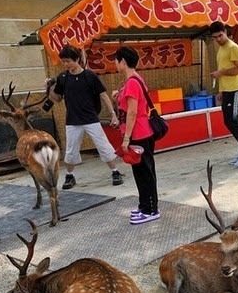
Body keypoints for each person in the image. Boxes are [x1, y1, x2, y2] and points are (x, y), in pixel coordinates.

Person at [45, 45, 123, 189]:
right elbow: (57, 98)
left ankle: (115, 172)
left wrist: (113, 115)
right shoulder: (62, 77)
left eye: (68, 61)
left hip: (91, 118)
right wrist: (49, 88)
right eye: (64, 61)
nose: (66, 64)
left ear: (77, 59)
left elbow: (104, 96)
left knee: (103, 145)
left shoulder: (90, 76)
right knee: (71, 150)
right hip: (72, 121)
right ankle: (70, 176)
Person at [114, 46, 160, 224]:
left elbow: (132, 112)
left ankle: (151, 209)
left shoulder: (132, 82)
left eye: (117, 61)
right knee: (139, 171)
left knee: (145, 172)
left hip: (139, 133)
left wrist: (126, 138)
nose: (116, 64)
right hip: (137, 132)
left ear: (123, 62)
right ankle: (144, 205)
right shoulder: (133, 80)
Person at [208, 22, 238, 167]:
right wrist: (221, 91)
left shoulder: (233, 47)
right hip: (227, 90)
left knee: (231, 120)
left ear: (225, 32)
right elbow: (224, 69)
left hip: (235, 89)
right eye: (215, 37)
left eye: (220, 36)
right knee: (236, 119)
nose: (218, 39)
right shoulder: (221, 49)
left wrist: (221, 73)